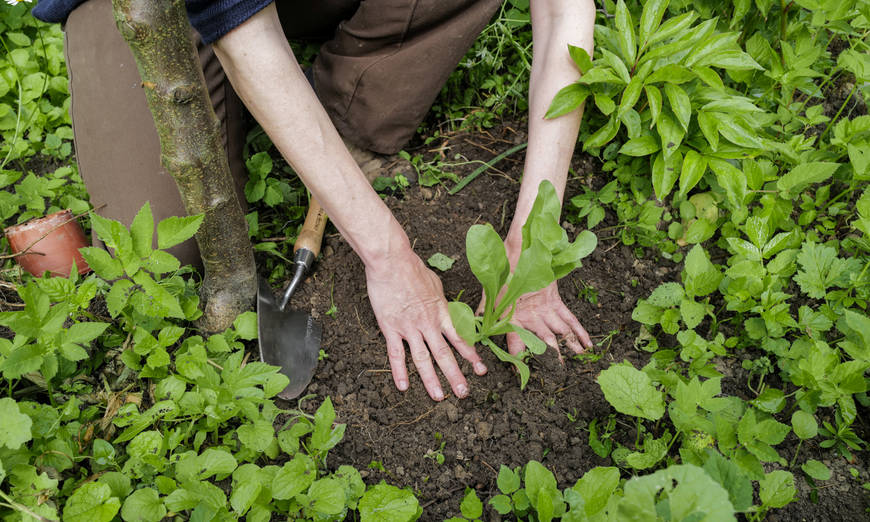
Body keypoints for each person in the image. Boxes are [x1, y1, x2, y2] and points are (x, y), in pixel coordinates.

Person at [32, 0, 596, 402]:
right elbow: (235, 20)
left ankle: (334, 113)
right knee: (164, 244)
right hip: (146, 10)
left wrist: (534, 236)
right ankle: (253, 97)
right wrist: (389, 255)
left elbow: (563, 13)